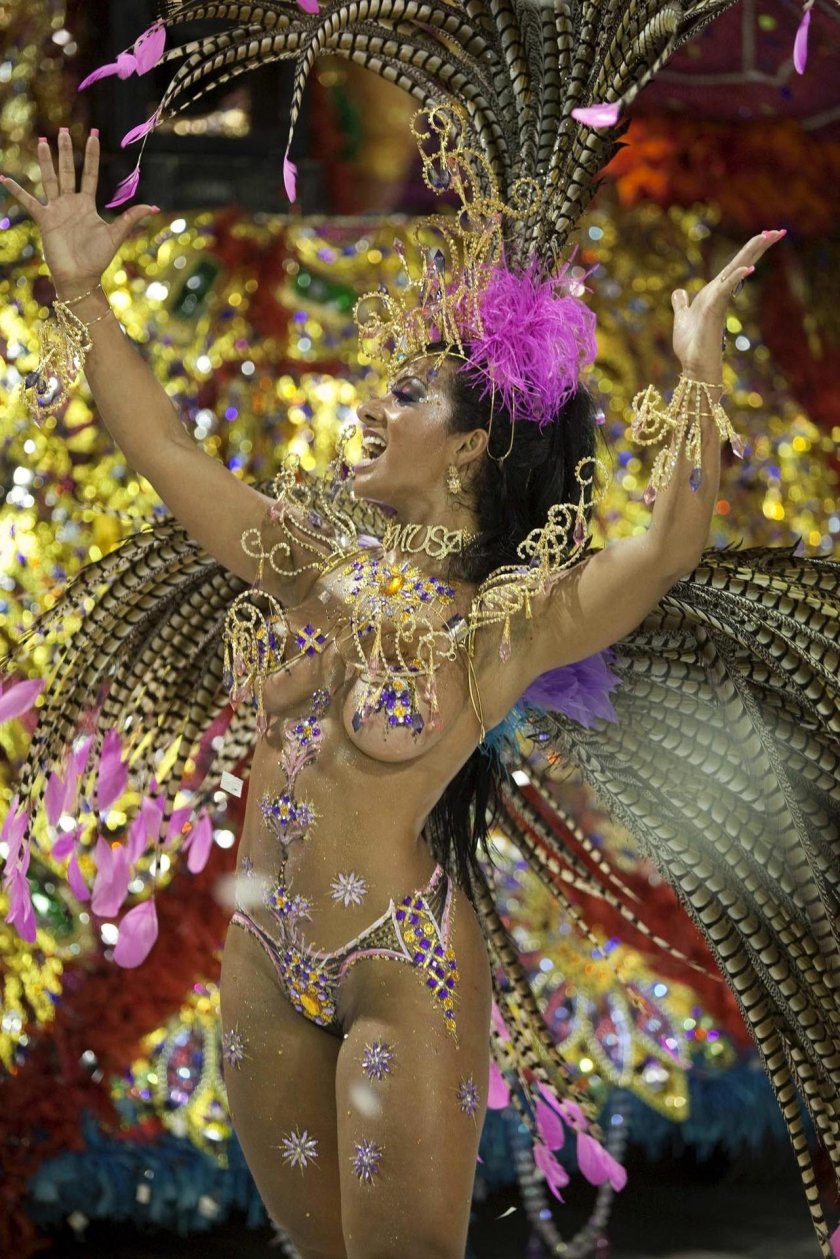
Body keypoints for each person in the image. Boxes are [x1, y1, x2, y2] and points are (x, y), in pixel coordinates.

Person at [0, 127, 789, 1259]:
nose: (371, 407)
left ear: (471, 449)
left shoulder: (505, 623)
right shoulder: (310, 563)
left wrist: (698, 361)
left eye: (410, 392)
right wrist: (83, 291)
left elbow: (665, 547)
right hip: (263, 962)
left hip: (401, 965)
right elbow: (169, 450)